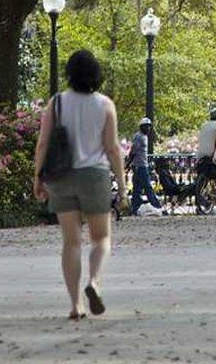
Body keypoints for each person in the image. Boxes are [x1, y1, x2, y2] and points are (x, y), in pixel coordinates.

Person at [32, 50, 126, 320]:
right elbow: (112, 148)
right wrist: (121, 185)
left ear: (69, 73)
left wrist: (38, 177)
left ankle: (75, 305)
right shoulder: (105, 104)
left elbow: (43, 143)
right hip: (94, 175)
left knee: (71, 242)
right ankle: (94, 282)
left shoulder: (57, 103)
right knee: (101, 238)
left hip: (61, 176)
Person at [127, 118, 163, 216]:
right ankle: (156, 205)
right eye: (146, 126)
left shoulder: (144, 137)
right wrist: (128, 163)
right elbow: (133, 151)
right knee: (147, 186)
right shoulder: (139, 137)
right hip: (140, 166)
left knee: (137, 188)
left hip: (141, 165)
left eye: (149, 126)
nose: (148, 128)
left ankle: (135, 207)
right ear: (141, 127)